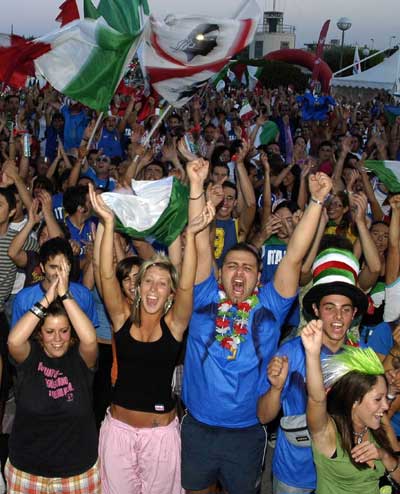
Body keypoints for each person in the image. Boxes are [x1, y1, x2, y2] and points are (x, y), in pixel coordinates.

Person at [181, 158, 333, 494]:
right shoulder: (203, 294)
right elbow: (200, 241)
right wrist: (196, 186)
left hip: (247, 432)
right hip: (198, 427)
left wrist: (316, 201)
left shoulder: (270, 305)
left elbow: (294, 256)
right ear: (220, 273)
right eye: (231, 266)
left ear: (259, 277)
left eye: (247, 268)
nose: (239, 272)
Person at [89, 180, 215, 494]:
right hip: (117, 434)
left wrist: (191, 236)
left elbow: (187, 283)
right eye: (148, 281)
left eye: (162, 283)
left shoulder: (175, 325)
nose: (154, 289)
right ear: (139, 287)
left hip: (160, 439)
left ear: (170, 294)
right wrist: (108, 223)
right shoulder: (121, 318)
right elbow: (106, 274)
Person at [257, 246, 369, 493]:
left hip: (342, 473)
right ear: (316, 310)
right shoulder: (290, 352)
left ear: (354, 314)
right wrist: (276, 389)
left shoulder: (361, 356)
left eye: (346, 309)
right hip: (295, 473)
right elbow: (263, 417)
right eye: (329, 307)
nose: (338, 317)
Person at [6, 256, 100, 493]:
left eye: (64, 330)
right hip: (27, 471)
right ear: (40, 333)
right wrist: (48, 298)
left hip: (76, 472)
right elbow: (13, 341)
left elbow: (90, 339)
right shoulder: (30, 355)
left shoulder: (80, 358)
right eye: (49, 331)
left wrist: (65, 295)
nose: (57, 338)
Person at [302, 319, 400, 493]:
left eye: (386, 397)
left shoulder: (381, 425)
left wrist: (383, 455)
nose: (386, 406)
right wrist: (312, 353)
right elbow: (317, 400)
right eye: (378, 399)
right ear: (354, 401)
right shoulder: (328, 432)